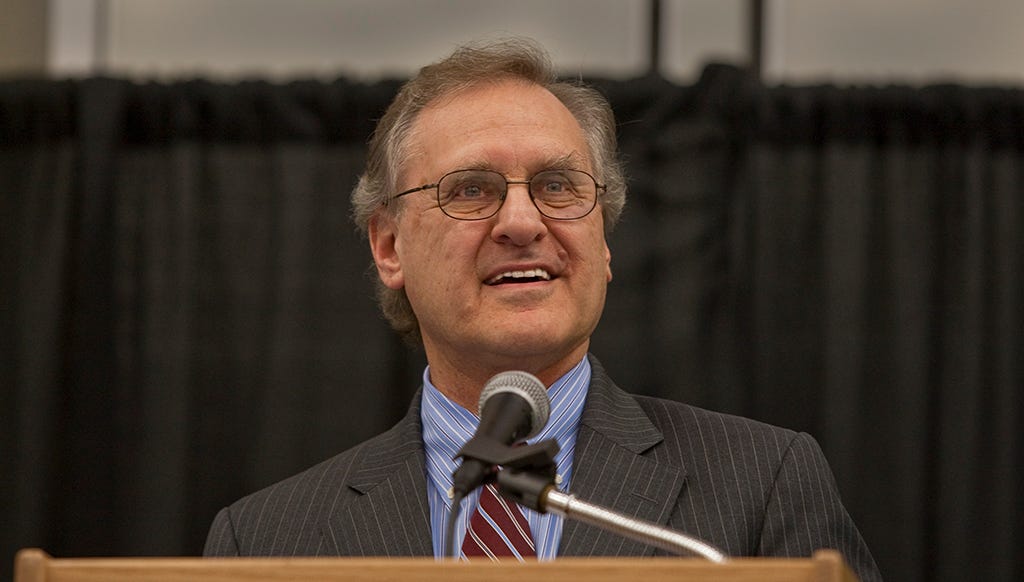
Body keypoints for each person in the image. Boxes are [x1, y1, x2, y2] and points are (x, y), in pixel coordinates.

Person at [203, 38, 882, 581]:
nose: (523, 222)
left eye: (558, 186)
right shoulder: (264, 541)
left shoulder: (762, 486)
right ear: (389, 246)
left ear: (604, 242)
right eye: (471, 191)